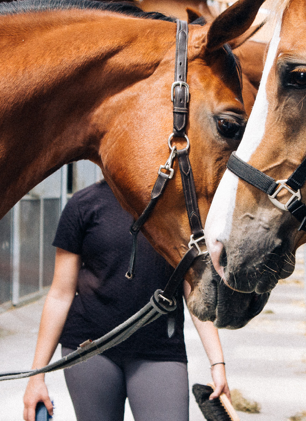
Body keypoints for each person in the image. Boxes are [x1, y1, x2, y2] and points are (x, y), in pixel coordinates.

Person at [22, 180, 229, 421]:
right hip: (90, 350)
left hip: (159, 349)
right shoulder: (82, 205)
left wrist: (218, 363)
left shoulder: (179, 208)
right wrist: (37, 377)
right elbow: (60, 294)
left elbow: (195, 291)